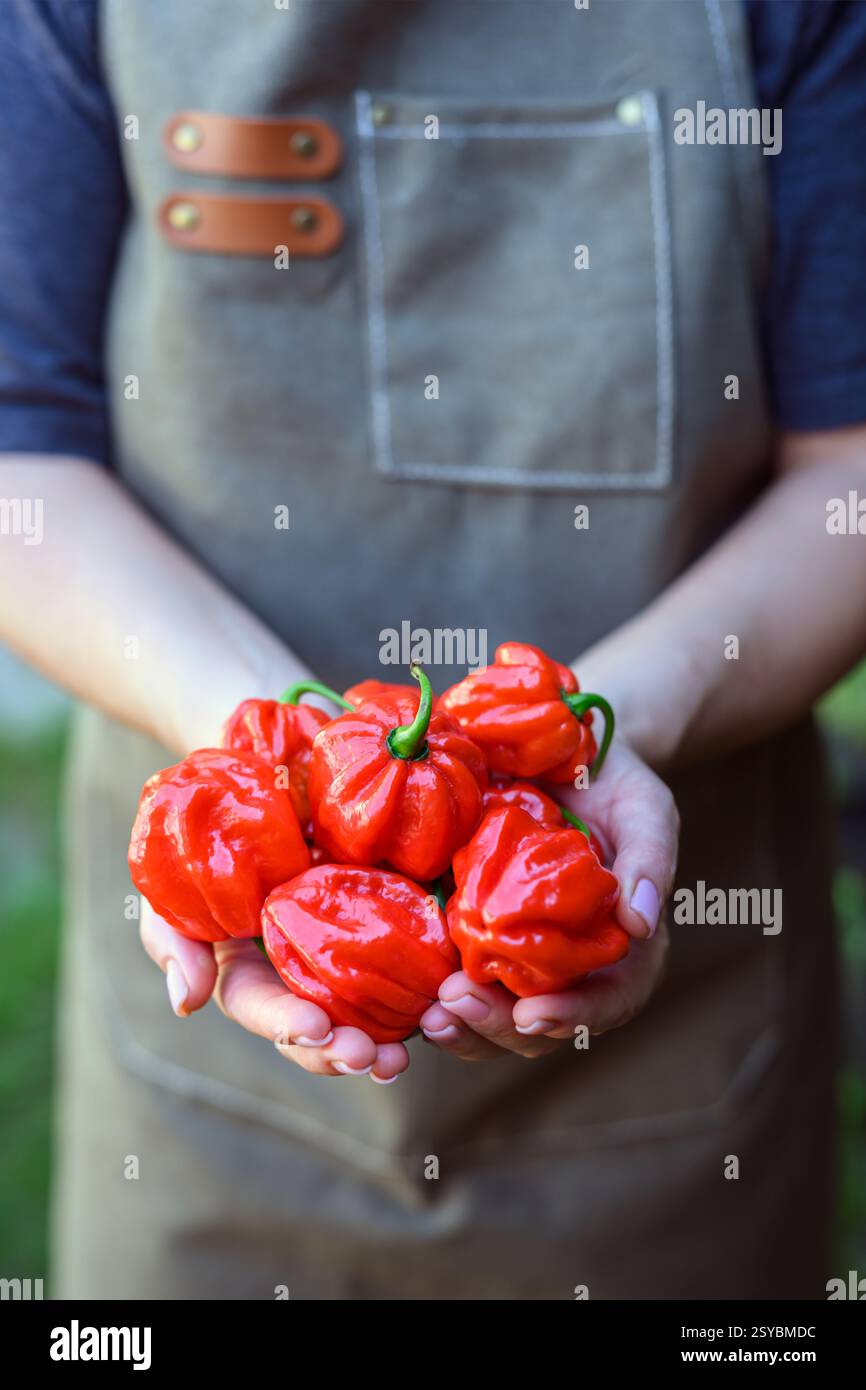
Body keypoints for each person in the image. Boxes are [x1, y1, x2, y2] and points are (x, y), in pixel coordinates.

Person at [1, 0, 865, 1300]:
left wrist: (622, 714)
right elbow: (21, 445)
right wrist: (268, 741)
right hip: (211, 1048)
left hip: (673, 1018)